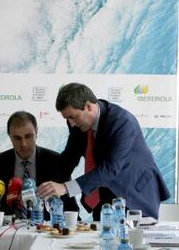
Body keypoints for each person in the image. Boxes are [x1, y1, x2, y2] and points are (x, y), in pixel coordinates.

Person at [38, 83, 170, 220]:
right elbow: (69, 157)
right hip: (102, 191)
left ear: (88, 107)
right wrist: (51, 189)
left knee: (130, 239)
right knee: (101, 238)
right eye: (67, 119)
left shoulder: (122, 122)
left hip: (135, 191)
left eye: (73, 117)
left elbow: (110, 169)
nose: (71, 123)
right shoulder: (76, 123)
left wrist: (66, 188)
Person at [0, 111, 79, 218]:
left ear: (36, 132)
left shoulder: (56, 161)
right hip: (7, 229)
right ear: (9, 136)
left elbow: (71, 209)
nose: (24, 144)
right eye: (17, 138)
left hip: (45, 230)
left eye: (28, 136)